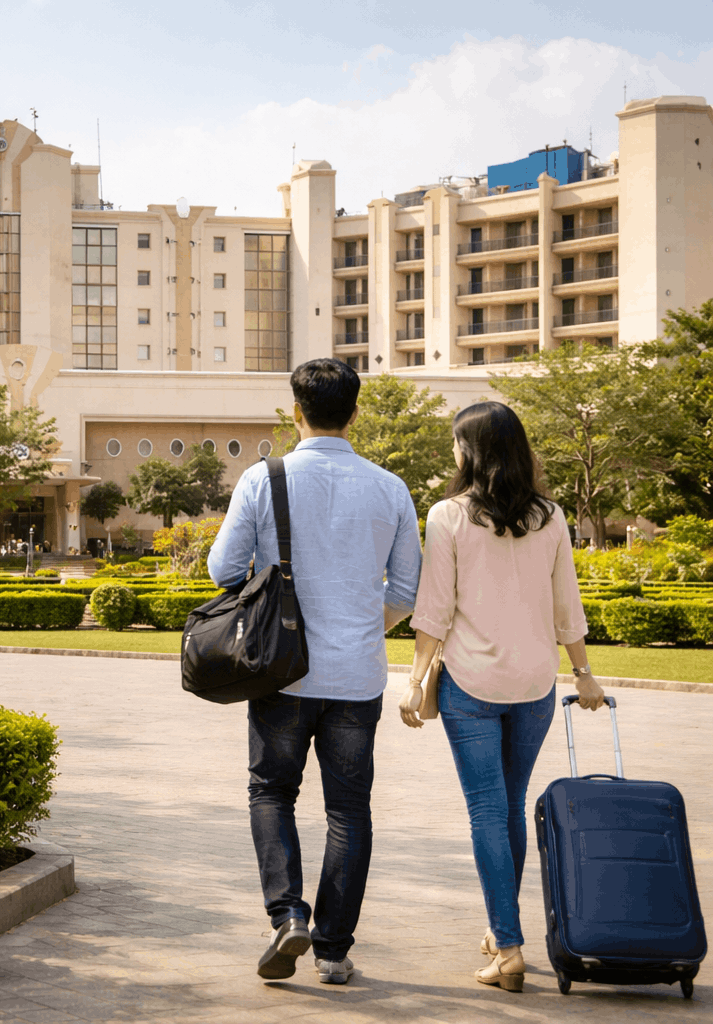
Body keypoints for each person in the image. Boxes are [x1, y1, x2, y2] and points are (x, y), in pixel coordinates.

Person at [208, 358, 422, 986]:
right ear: (354, 413)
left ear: (295, 412)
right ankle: (331, 951)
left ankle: (287, 915)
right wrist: (362, 626)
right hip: (357, 676)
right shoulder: (390, 487)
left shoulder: (262, 478)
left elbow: (224, 570)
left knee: (272, 792)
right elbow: (406, 590)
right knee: (349, 812)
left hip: (282, 673)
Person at [399, 401, 605, 993]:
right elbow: (567, 603)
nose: (452, 450)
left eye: (456, 441)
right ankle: (501, 932)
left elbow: (434, 609)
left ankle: (509, 947)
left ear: (470, 451)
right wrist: (584, 673)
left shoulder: (448, 515)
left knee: (488, 812)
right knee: (510, 807)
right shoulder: (551, 516)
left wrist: (414, 681)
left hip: (470, 684)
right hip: (535, 684)